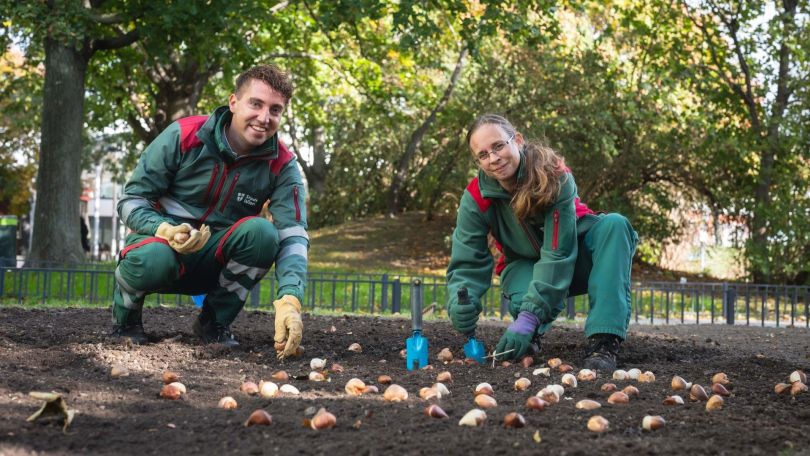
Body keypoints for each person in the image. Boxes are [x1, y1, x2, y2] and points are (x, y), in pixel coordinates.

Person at [111, 64, 308, 359]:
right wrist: (164, 228)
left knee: (264, 233)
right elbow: (131, 201)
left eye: (275, 110)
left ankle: (213, 323)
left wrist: (290, 298)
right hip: (161, 250)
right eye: (256, 103)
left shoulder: (282, 164)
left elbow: (293, 235)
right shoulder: (184, 135)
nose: (264, 118)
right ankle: (126, 321)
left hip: (216, 260)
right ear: (233, 102)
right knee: (153, 258)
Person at [445, 114, 637, 371]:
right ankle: (531, 333)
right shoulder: (475, 197)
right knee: (520, 282)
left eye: (498, 146)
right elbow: (467, 258)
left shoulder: (555, 176)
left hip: (578, 257)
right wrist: (461, 300)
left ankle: (604, 341)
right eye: (483, 154)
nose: (493, 158)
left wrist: (528, 316)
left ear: (518, 141)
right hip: (525, 264)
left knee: (615, 225)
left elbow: (558, 254)